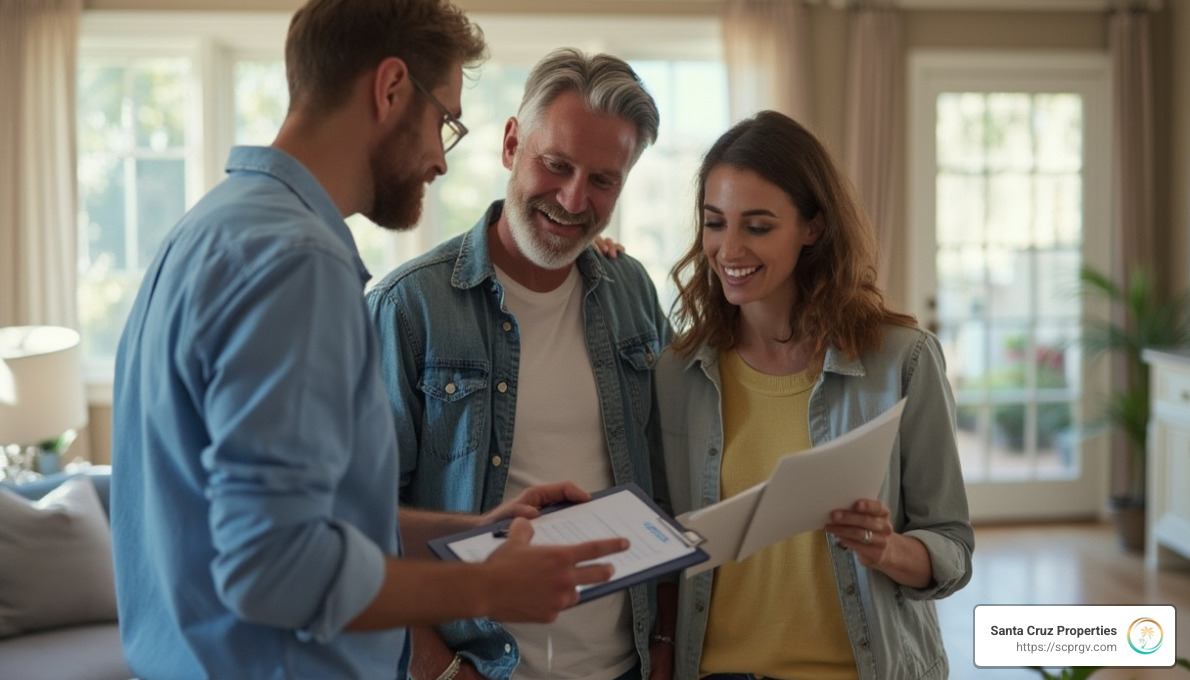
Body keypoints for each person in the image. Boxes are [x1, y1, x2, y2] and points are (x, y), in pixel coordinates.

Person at [109, 3, 630, 679]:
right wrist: (486, 588)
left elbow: (295, 518)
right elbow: (274, 567)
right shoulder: (299, 263)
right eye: (445, 119)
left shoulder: (211, 228)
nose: (441, 159)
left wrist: (474, 533)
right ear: (389, 89)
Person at [366, 47, 674, 680]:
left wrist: (665, 646)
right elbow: (360, 522)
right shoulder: (409, 307)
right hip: (479, 667)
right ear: (512, 143)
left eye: (603, 180)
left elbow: (667, 487)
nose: (572, 198)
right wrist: (442, 671)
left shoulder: (632, 292)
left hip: (626, 666)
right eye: (556, 165)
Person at [656, 110, 974, 680]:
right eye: (714, 223)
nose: (728, 248)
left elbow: (952, 547)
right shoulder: (678, 374)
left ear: (814, 227)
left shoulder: (904, 360)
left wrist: (887, 548)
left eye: (757, 226)